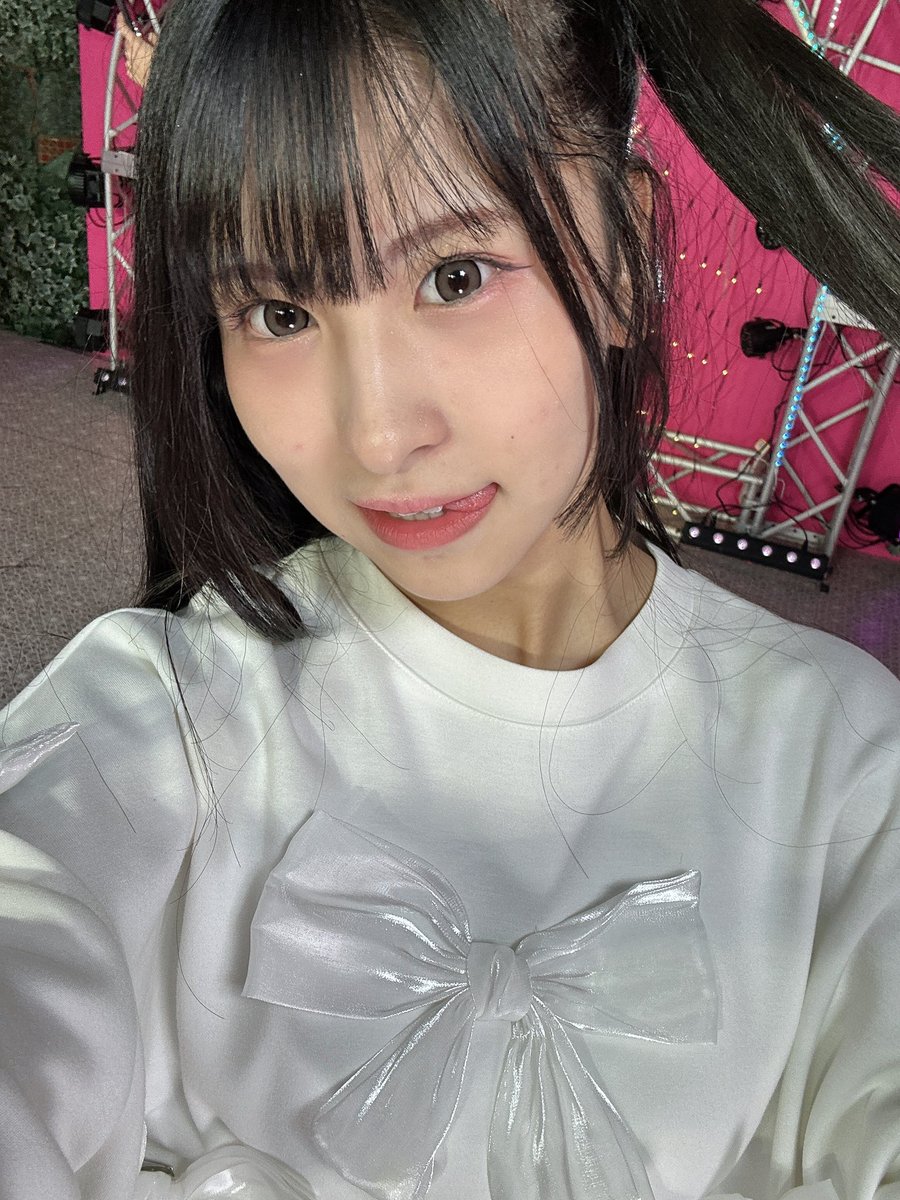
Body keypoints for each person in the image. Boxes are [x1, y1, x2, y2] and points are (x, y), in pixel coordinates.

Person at [2, 0, 900, 1197]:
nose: (377, 435)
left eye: (455, 275)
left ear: (624, 253)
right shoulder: (156, 717)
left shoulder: (850, 772)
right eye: (280, 314)